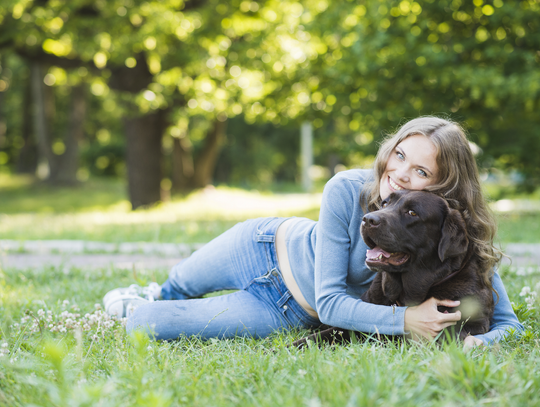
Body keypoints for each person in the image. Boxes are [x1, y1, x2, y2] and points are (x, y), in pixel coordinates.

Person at [104, 116, 523, 349]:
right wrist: (406, 320)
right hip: (261, 245)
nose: (398, 174)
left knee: (147, 322)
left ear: (441, 187)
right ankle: (147, 291)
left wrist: (480, 344)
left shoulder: (450, 229)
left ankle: (140, 306)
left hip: (282, 308)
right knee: (174, 287)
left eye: (420, 171)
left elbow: (508, 325)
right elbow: (332, 300)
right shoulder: (345, 188)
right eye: (399, 154)